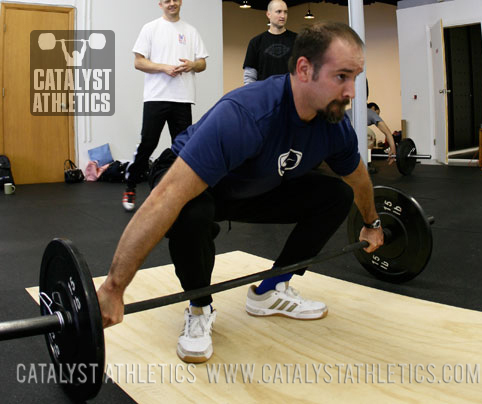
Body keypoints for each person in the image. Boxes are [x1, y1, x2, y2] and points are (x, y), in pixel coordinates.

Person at [98, 22, 385, 364]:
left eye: (356, 77)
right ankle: (200, 308)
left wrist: (372, 221)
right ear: (304, 69)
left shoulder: (333, 125)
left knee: (335, 195)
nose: (352, 91)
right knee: (191, 213)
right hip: (187, 176)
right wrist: (113, 288)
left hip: (252, 185)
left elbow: (359, 180)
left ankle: (270, 290)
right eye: (342, 76)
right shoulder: (247, 114)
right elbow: (167, 197)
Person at [122, 0, 208, 211]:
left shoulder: (191, 30)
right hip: (156, 97)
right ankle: (130, 186)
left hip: (183, 98)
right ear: (160, 3)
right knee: (148, 143)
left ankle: (180, 190)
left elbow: (202, 63)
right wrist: (164, 68)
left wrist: (192, 65)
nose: (172, 4)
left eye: (175, 0)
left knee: (183, 147)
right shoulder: (150, 28)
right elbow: (138, 62)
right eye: (167, 0)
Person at [243, 0, 297, 84]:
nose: (283, 16)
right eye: (278, 12)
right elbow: (250, 76)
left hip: (290, 93)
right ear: (268, 14)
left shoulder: (297, 40)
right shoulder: (256, 42)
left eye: (285, 12)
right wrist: (252, 95)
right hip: (264, 94)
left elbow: (304, 70)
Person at [345, 102, 397, 173]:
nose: (378, 116)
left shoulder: (351, 110)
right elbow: (387, 132)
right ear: (373, 108)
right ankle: (366, 164)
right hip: (348, 127)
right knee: (371, 135)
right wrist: (393, 149)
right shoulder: (371, 112)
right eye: (377, 113)